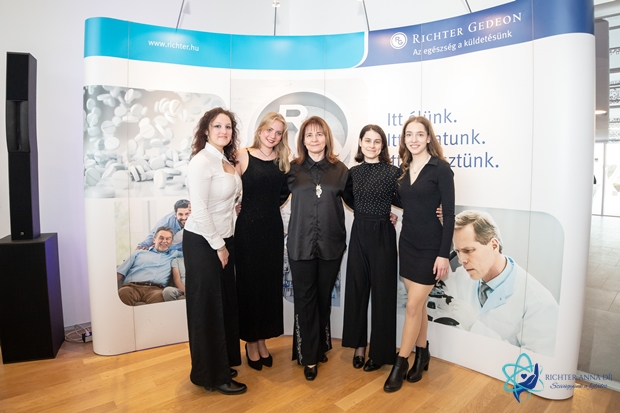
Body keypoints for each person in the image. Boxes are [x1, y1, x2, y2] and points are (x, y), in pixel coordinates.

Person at [384, 116, 455, 393]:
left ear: (428, 138)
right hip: (408, 244)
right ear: (404, 139)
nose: (414, 139)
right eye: (409, 134)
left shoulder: (441, 169)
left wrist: (443, 254)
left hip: (431, 248)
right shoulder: (403, 170)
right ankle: (423, 353)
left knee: (413, 307)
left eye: (419, 134)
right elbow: (404, 202)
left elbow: (449, 214)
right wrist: (390, 214)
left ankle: (401, 362)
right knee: (420, 305)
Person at [183, 107, 245, 395]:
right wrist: (219, 246)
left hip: (223, 239)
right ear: (206, 130)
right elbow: (200, 210)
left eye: (228, 126)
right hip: (203, 242)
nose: (224, 131)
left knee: (224, 306)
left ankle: (220, 364)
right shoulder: (201, 162)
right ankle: (212, 376)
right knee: (207, 309)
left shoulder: (224, 159)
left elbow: (223, 202)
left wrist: (234, 210)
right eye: (218, 126)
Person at [287, 116, 353, 381]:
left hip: (331, 244)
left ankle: (321, 345)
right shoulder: (291, 169)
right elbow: (272, 197)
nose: (314, 139)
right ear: (302, 140)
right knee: (305, 300)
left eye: (319, 134)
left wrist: (386, 214)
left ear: (327, 138)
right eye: (309, 135)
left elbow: (356, 202)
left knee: (323, 299)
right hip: (300, 244)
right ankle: (309, 356)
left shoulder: (341, 170)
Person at [447, 210, 559, 357]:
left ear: (494, 245)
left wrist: (474, 326)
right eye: (457, 252)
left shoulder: (539, 303)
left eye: (468, 250)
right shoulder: (462, 276)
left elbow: (534, 363)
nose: (461, 260)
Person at [234, 112, 291, 371]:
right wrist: (237, 205)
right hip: (247, 230)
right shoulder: (242, 155)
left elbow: (283, 194)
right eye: (270, 130)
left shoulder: (282, 159)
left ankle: (262, 340)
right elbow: (228, 187)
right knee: (250, 286)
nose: (273, 136)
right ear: (260, 130)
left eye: (278, 132)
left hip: (272, 229)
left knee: (268, 287)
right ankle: (251, 342)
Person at [342, 125, 401, 372]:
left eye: (377, 141)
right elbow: (348, 198)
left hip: (383, 234)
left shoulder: (394, 172)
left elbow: (404, 199)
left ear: (383, 146)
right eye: (368, 140)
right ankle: (359, 347)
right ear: (360, 143)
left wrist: (389, 214)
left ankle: (379, 353)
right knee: (356, 291)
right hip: (359, 232)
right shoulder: (352, 173)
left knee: (383, 295)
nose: (372, 145)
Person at [117, 226, 181, 305]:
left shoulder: (174, 254)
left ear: (171, 242)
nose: (164, 241)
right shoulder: (138, 253)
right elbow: (120, 272)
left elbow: (192, 254)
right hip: (133, 287)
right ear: (154, 240)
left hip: (156, 289)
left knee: (160, 296)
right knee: (124, 292)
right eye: (161, 238)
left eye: (168, 239)